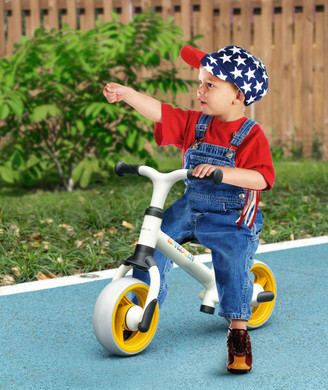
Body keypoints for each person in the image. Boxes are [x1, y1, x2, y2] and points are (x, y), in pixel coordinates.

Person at [103, 44, 275, 374]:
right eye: (199, 82)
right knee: (155, 241)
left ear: (237, 95)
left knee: (233, 259)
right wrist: (128, 94)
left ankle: (238, 332)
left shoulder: (251, 135)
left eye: (210, 85)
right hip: (192, 206)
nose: (200, 91)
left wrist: (223, 173)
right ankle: (141, 304)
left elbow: (261, 177)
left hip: (231, 216)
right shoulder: (196, 124)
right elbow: (161, 111)